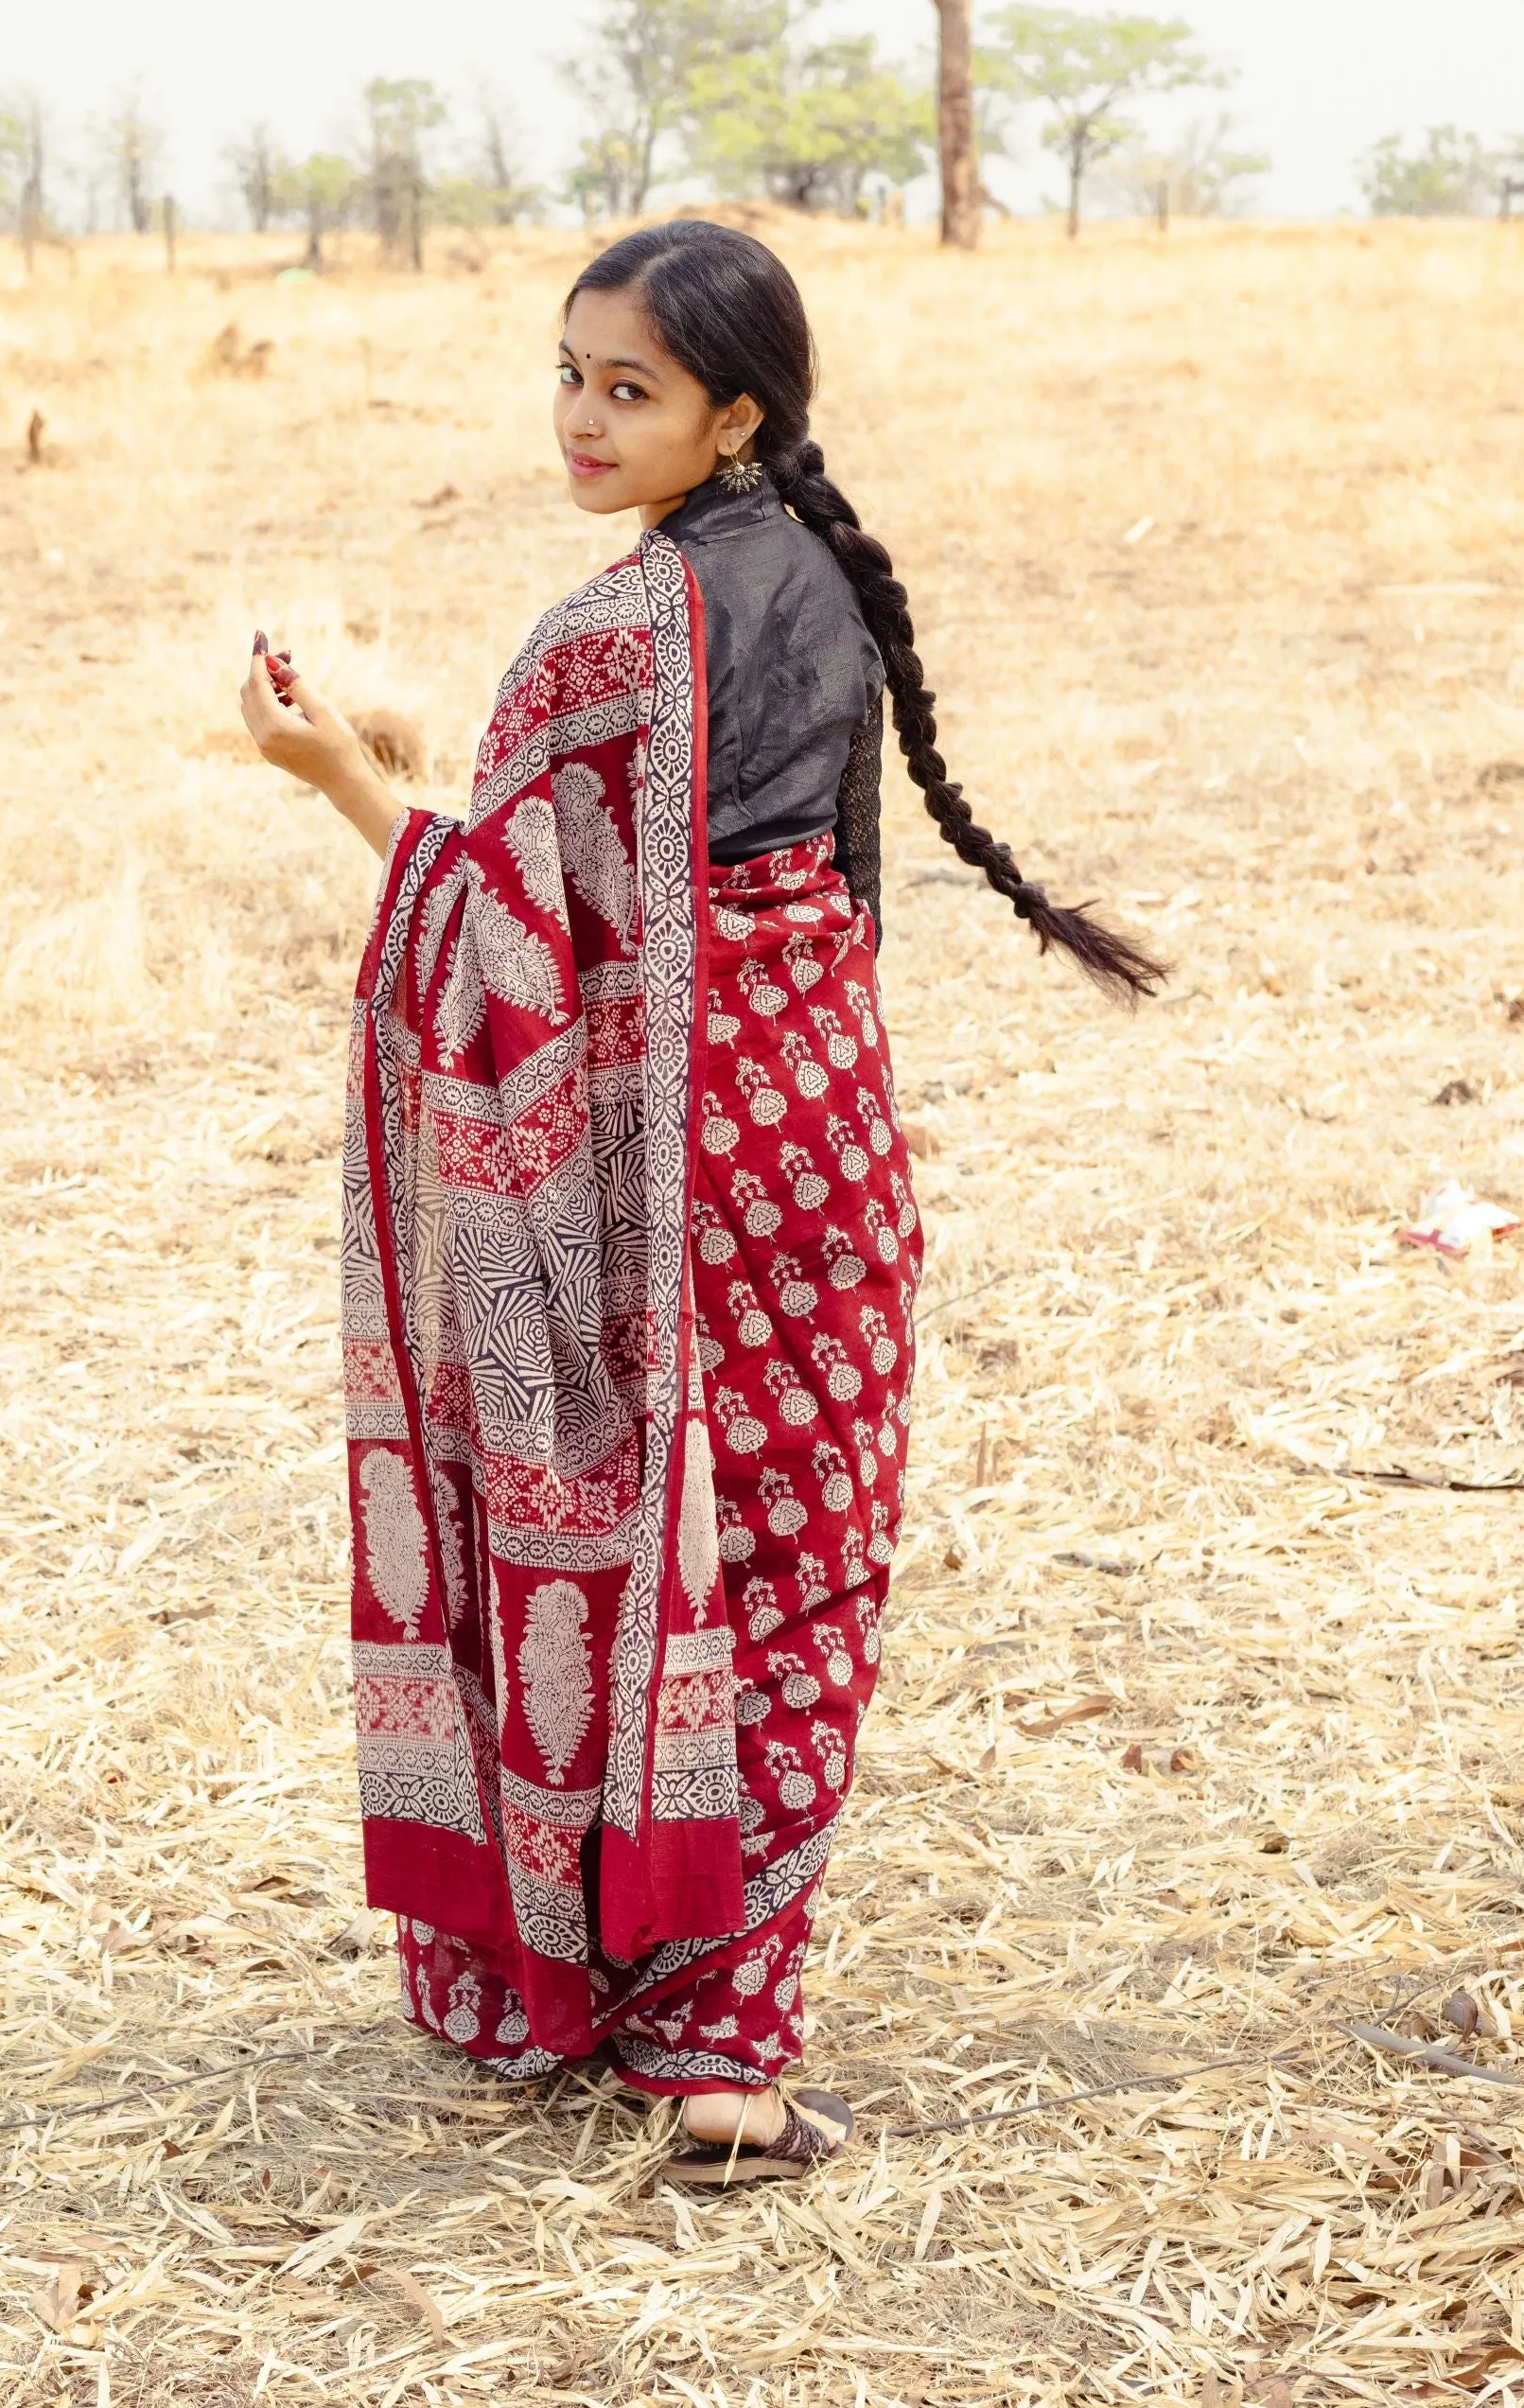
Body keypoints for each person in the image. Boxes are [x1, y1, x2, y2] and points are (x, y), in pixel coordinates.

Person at [239, 220, 1157, 2188]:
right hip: (817, 1120)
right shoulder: (821, 575)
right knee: (789, 1555)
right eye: (568, 371)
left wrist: (332, 775)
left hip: (676, 1139)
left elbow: (508, 921)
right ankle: (706, 2015)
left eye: (627, 387)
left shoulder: (610, 629)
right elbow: (813, 893)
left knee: (643, 1536)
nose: (579, 416)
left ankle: (660, 2014)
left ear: (732, 410)